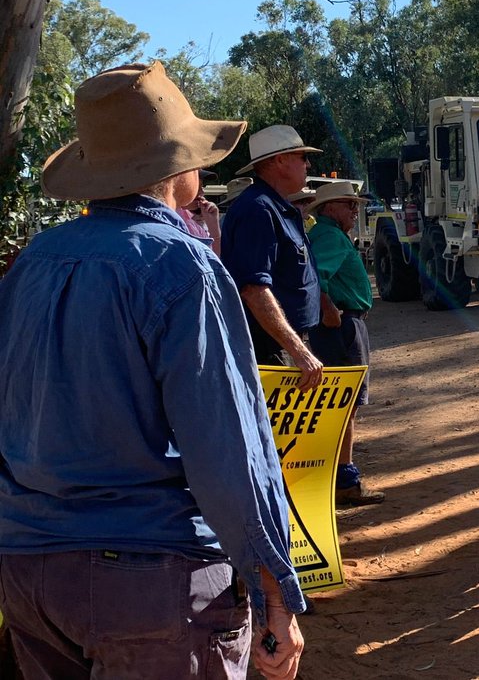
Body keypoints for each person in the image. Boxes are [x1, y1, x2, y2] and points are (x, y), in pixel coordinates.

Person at [0, 62, 304, 679]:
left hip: (29, 570)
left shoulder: (33, 263)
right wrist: (276, 593)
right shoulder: (180, 266)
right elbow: (227, 448)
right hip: (153, 577)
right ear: (175, 167)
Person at [221, 125, 325, 391]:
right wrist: (298, 351)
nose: (308, 164)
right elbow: (254, 289)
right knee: (276, 432)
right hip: (269, 348)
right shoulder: (258, 210)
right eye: (302, 157)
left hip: (283, 343)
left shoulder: (276, 206)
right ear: (280, 160)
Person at [306, 181, 386, 508]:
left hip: (344, 323)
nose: (355, 211)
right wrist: (328, 310)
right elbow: (316, 275)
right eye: (348, 204)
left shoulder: (328, 234)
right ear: (329, 208)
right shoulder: (328, 236)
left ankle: (338, 477)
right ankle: (344, 480)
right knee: (345, 403)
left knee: (341, 402)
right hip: (343, 325)